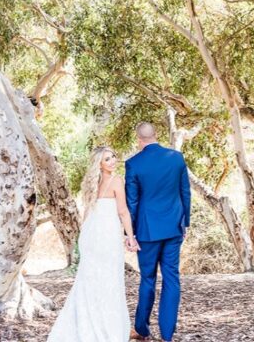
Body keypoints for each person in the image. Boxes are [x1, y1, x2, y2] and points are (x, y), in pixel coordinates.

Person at [47, 146, 138, 341]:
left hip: (90, 234)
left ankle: (88, 323)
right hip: (106, 235)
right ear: (100, 164)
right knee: (109, 279)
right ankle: (107, 329)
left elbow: (88, 213)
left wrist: (83, 238)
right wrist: (130, 236)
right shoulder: (116, 180)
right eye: (107, 159)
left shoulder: (91, 183)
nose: (113, 160)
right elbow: (122, 211)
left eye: (113, 156)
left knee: (90, 279)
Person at [126, 122, 191, 342]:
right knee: (172, 278)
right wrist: (186, 223)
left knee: (148, 279)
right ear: (156, 135)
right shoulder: (176, 158)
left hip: (146, 231)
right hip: (173, 227)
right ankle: (167, 334)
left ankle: (142, 330)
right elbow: (185, 192)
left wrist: (130, 233)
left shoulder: (133, 164)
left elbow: (132, 202)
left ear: (139, 139)